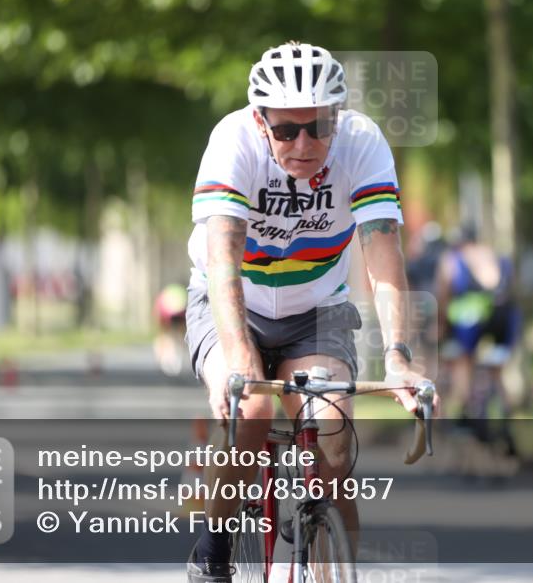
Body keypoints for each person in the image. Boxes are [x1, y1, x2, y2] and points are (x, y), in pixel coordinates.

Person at [185, 41, 438, 582]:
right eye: (286, 130)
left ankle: (335, 562)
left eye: (319, 127)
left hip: (316, 310)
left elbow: (383, 256)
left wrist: (398, 355)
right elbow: (222, 258)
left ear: (337, 117)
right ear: (260, 121)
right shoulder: (232, 142)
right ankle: (215, 549)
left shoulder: (363, 143)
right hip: (234, 302)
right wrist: (238, 356)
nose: (304, 143)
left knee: (333, 434)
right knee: (249, 412)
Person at [435, 223, 519, 457]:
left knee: (464, 363)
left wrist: (440, 326)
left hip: (471, 317)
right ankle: (505, 419)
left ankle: (466, 413)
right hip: (503, 315)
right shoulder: (493, 254)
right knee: (497, 373)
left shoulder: (453, 258)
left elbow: (443, 294)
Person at [153, 283, 189, 376]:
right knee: (166, 334)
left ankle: (170, 356)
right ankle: (163, 355)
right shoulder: (163, 302)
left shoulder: (179, 300)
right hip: (168, 313)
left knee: (176, 334)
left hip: (178, 312)